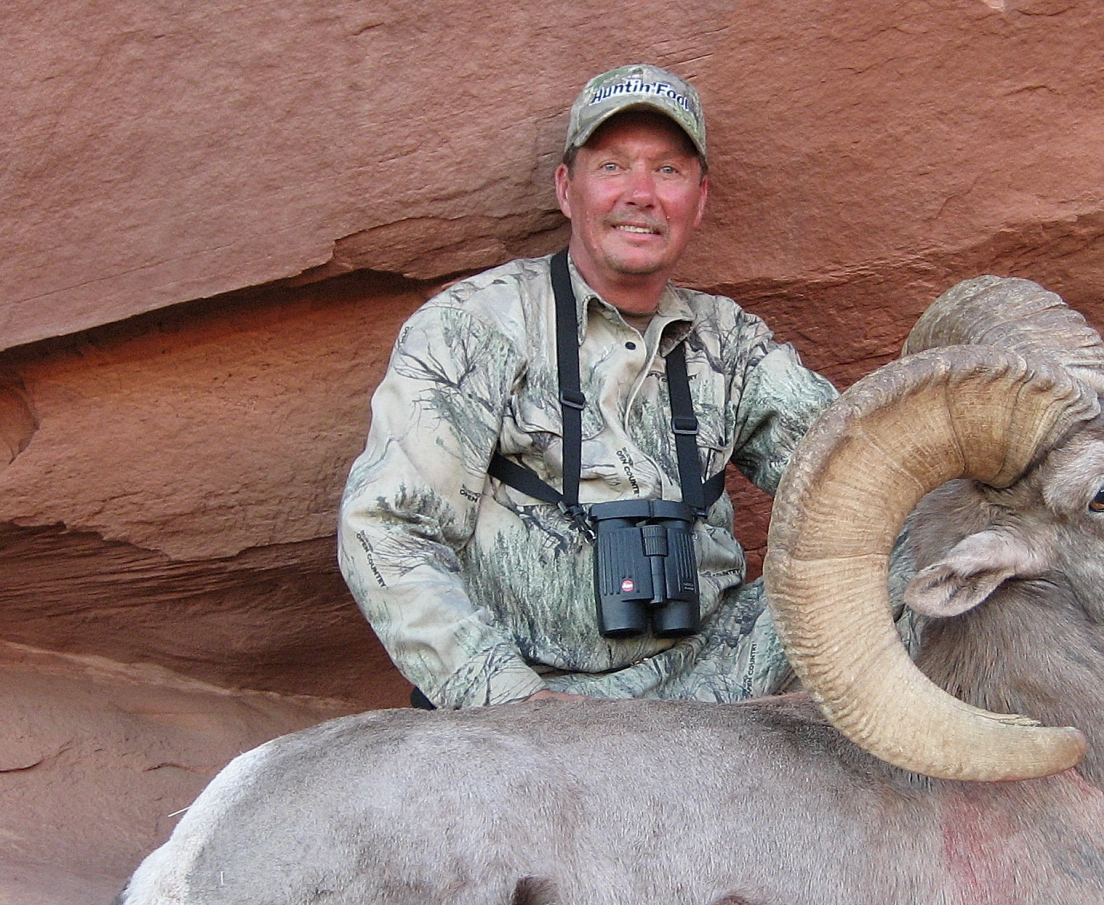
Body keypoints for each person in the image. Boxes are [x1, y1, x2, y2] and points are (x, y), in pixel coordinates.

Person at [338, 65, 837, 709]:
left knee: (916, 545)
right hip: (534, 703)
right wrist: (507, 698)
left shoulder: (732, 341)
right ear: (566, 189)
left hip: (717, 690)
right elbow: (384, 524)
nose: (641, 194)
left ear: (700, 198)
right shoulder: (473, 326)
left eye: (667, 170)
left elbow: (856, 467)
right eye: (611, 166)